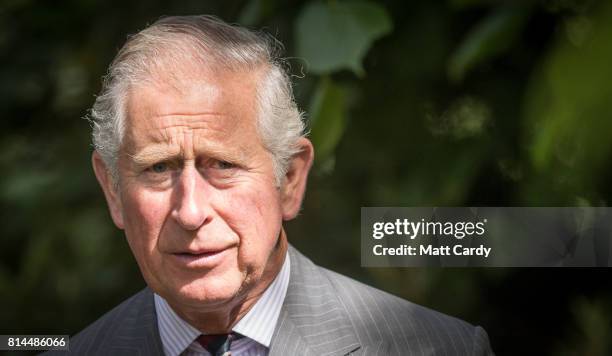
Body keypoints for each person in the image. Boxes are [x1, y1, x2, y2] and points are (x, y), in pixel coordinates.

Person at [52, 15, 493, 356]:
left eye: (222, 164)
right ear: (112, 190)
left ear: (289, 179)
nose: (190, 212)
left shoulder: (437, 348)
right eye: (158, 168)